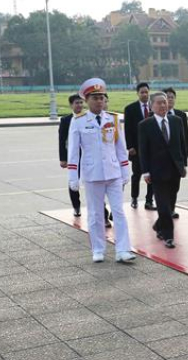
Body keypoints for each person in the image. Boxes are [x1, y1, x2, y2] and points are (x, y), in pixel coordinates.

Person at [67, 78, 135, 264]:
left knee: (118, 212)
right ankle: (98, 249)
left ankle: (123, 249)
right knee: (96, 214)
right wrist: (73, 176)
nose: (99, 101)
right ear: (87, 100)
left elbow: (120, 147)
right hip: (92, 173)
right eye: (95, 98)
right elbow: (73, 152)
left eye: (101, 97)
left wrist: (124, 171)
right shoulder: (79, 121)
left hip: (113, 172)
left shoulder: (112, 118)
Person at [138, 92, 188, 249]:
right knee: (163, 205)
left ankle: (159, 226)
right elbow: (143, 150)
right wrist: (145, 171)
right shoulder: (145, 125)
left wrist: (183, 164)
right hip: (157, 171)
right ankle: (168, 236)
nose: (162, 105)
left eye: (164, 102)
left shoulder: (176, 121)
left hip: (175, 169)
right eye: (159, 103)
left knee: (170, 203)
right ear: (152, 106)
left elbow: (182, 144)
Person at [59, 94, 113, 227]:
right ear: (71, 105)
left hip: (90, 159)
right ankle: (76, 206)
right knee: (74, 182)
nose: (79, 105)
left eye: (80, 103)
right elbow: (62, 140)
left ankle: (104, 214)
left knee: (98, 187)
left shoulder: (89, 118)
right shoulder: (67, 120)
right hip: (74, 158)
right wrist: (63, 158)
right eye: (76, 103)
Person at [124, 82, 155, 210]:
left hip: (152, 150)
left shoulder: (154, 107)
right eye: (142, 92)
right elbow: (127, 130)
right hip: (136, 149)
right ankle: (134, 198)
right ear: (137, 93)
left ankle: (149, 200)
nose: (144, 94)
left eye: (146, 92)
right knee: (136, 175)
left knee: (152, 175)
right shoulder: (130, 109)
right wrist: (130, 146)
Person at [163, 87, 188, 219]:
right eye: (167, 97)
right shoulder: (153, 116)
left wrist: (185, 161)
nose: (170, 100)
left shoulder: (181, 115)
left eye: (172, 97)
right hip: (161, 159)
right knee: (163, 187)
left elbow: (184, 138)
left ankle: (171, 208)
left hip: (177, 159)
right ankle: (164, 210)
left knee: (175, 186)